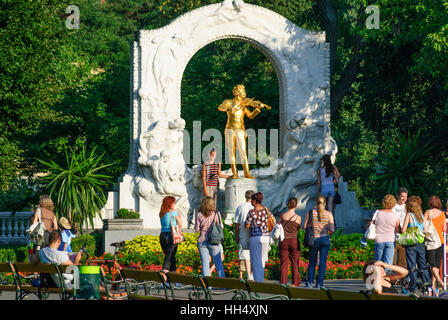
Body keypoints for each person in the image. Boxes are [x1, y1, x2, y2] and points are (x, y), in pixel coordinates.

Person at [218, 84, 271, 179]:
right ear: (237, 93)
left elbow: (250, 116)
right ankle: (235, 174)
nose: (245, 94)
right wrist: (225, 107)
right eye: (243, 92)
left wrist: (258, 108)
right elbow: (220, 107)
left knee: (243, 152)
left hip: (240, 130)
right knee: (231, 152)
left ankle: (247, 173)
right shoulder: (228, 102)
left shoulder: (244, 106)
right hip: (230, 130)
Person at [401, 196, 431, 295]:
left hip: (411, 243)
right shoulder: (421, 216)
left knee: (412, 265)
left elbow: (403, 230)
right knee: (422, 263)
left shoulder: (409, 215)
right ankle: (426, 284)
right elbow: (425, 230)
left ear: (409, 206)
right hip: (420, 242)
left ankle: (413, 286)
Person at [304, 195, 334, 288]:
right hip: (325, 239)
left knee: (312, 262)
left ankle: (309, 282)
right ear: (324, 203)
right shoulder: (329, 214)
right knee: (322, 263)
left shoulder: (310, 213)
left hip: (314, 240)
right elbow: (332, 229)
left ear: (316, 203)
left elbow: (304, 227)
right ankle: (319, 284)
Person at [195, 197, 226, 278]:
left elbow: (196, 229)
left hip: (202, 240)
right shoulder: (216, 214)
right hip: (213, 241)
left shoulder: (199, 214)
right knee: (218, 262)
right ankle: (223, 284)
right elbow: (221, 226)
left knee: (205, 263)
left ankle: (207, 284)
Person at [245, 192, 272, 282]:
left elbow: (247, 225)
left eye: (252, 200)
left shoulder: (252, 212)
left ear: (254, 201)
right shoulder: (266, 210)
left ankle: (258, 281)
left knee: (256, 260)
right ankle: (261, 279)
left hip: (256, 237)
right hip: (266, 237)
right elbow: (271, 219)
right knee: (263, 259)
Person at [423, 195, 446, 296]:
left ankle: (439, 280)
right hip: (440, 241)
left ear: (430, 203)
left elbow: (423, 225)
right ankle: (433, 286)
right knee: (436, 264)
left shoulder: (428, 212)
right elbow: (444, 229)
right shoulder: (442, 214)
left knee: (431, 264)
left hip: (431, 241)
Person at [278, 197, 301, 287]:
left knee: (284, 263)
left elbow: (279, 226)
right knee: (295, 263)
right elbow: (298, 228)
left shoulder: (283, 216)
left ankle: (283, 282)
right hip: (294, 241)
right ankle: (295, 282)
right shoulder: (298, 218)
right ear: (296, 205)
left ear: (288, 205)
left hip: (284, 241)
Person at [373, 194, 401, 267]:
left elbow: (371, 224)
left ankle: (377, 276)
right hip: (390, 240)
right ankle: (386, 277)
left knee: (378, 262)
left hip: (378, 240)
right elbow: (398, 230)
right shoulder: (395, 215)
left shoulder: (377, 213)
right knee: (388, 263)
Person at [159, 196, 182, 281]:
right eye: (173, 202)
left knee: (171, 256)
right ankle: (163, 276)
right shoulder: (174, 213)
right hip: (172, 236)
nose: (174, 204)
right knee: (169, 257)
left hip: (162, 236)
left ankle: (173, 279)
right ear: (170, 203)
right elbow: (180, 224)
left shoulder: (162, 213)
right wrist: (178, 216)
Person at [234, 190, 254, 280]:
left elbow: (236, 223)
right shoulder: (254, 207)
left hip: (243, 232)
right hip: (253, 232)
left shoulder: (240, 207)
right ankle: (252, 274)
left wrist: (236, 235)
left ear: (245, 197)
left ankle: (248, 275)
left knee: (245, 255)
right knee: (253, 254)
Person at [392, 187, 408, 270]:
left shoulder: (407, 207)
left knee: (403, 262)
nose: (404, 198)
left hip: (404, 238)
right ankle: (393, 280)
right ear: (398, 196)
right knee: (393, 261)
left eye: (405, 196)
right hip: (393, 237)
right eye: (402, 196)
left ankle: (403, 280)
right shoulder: (393, 207)